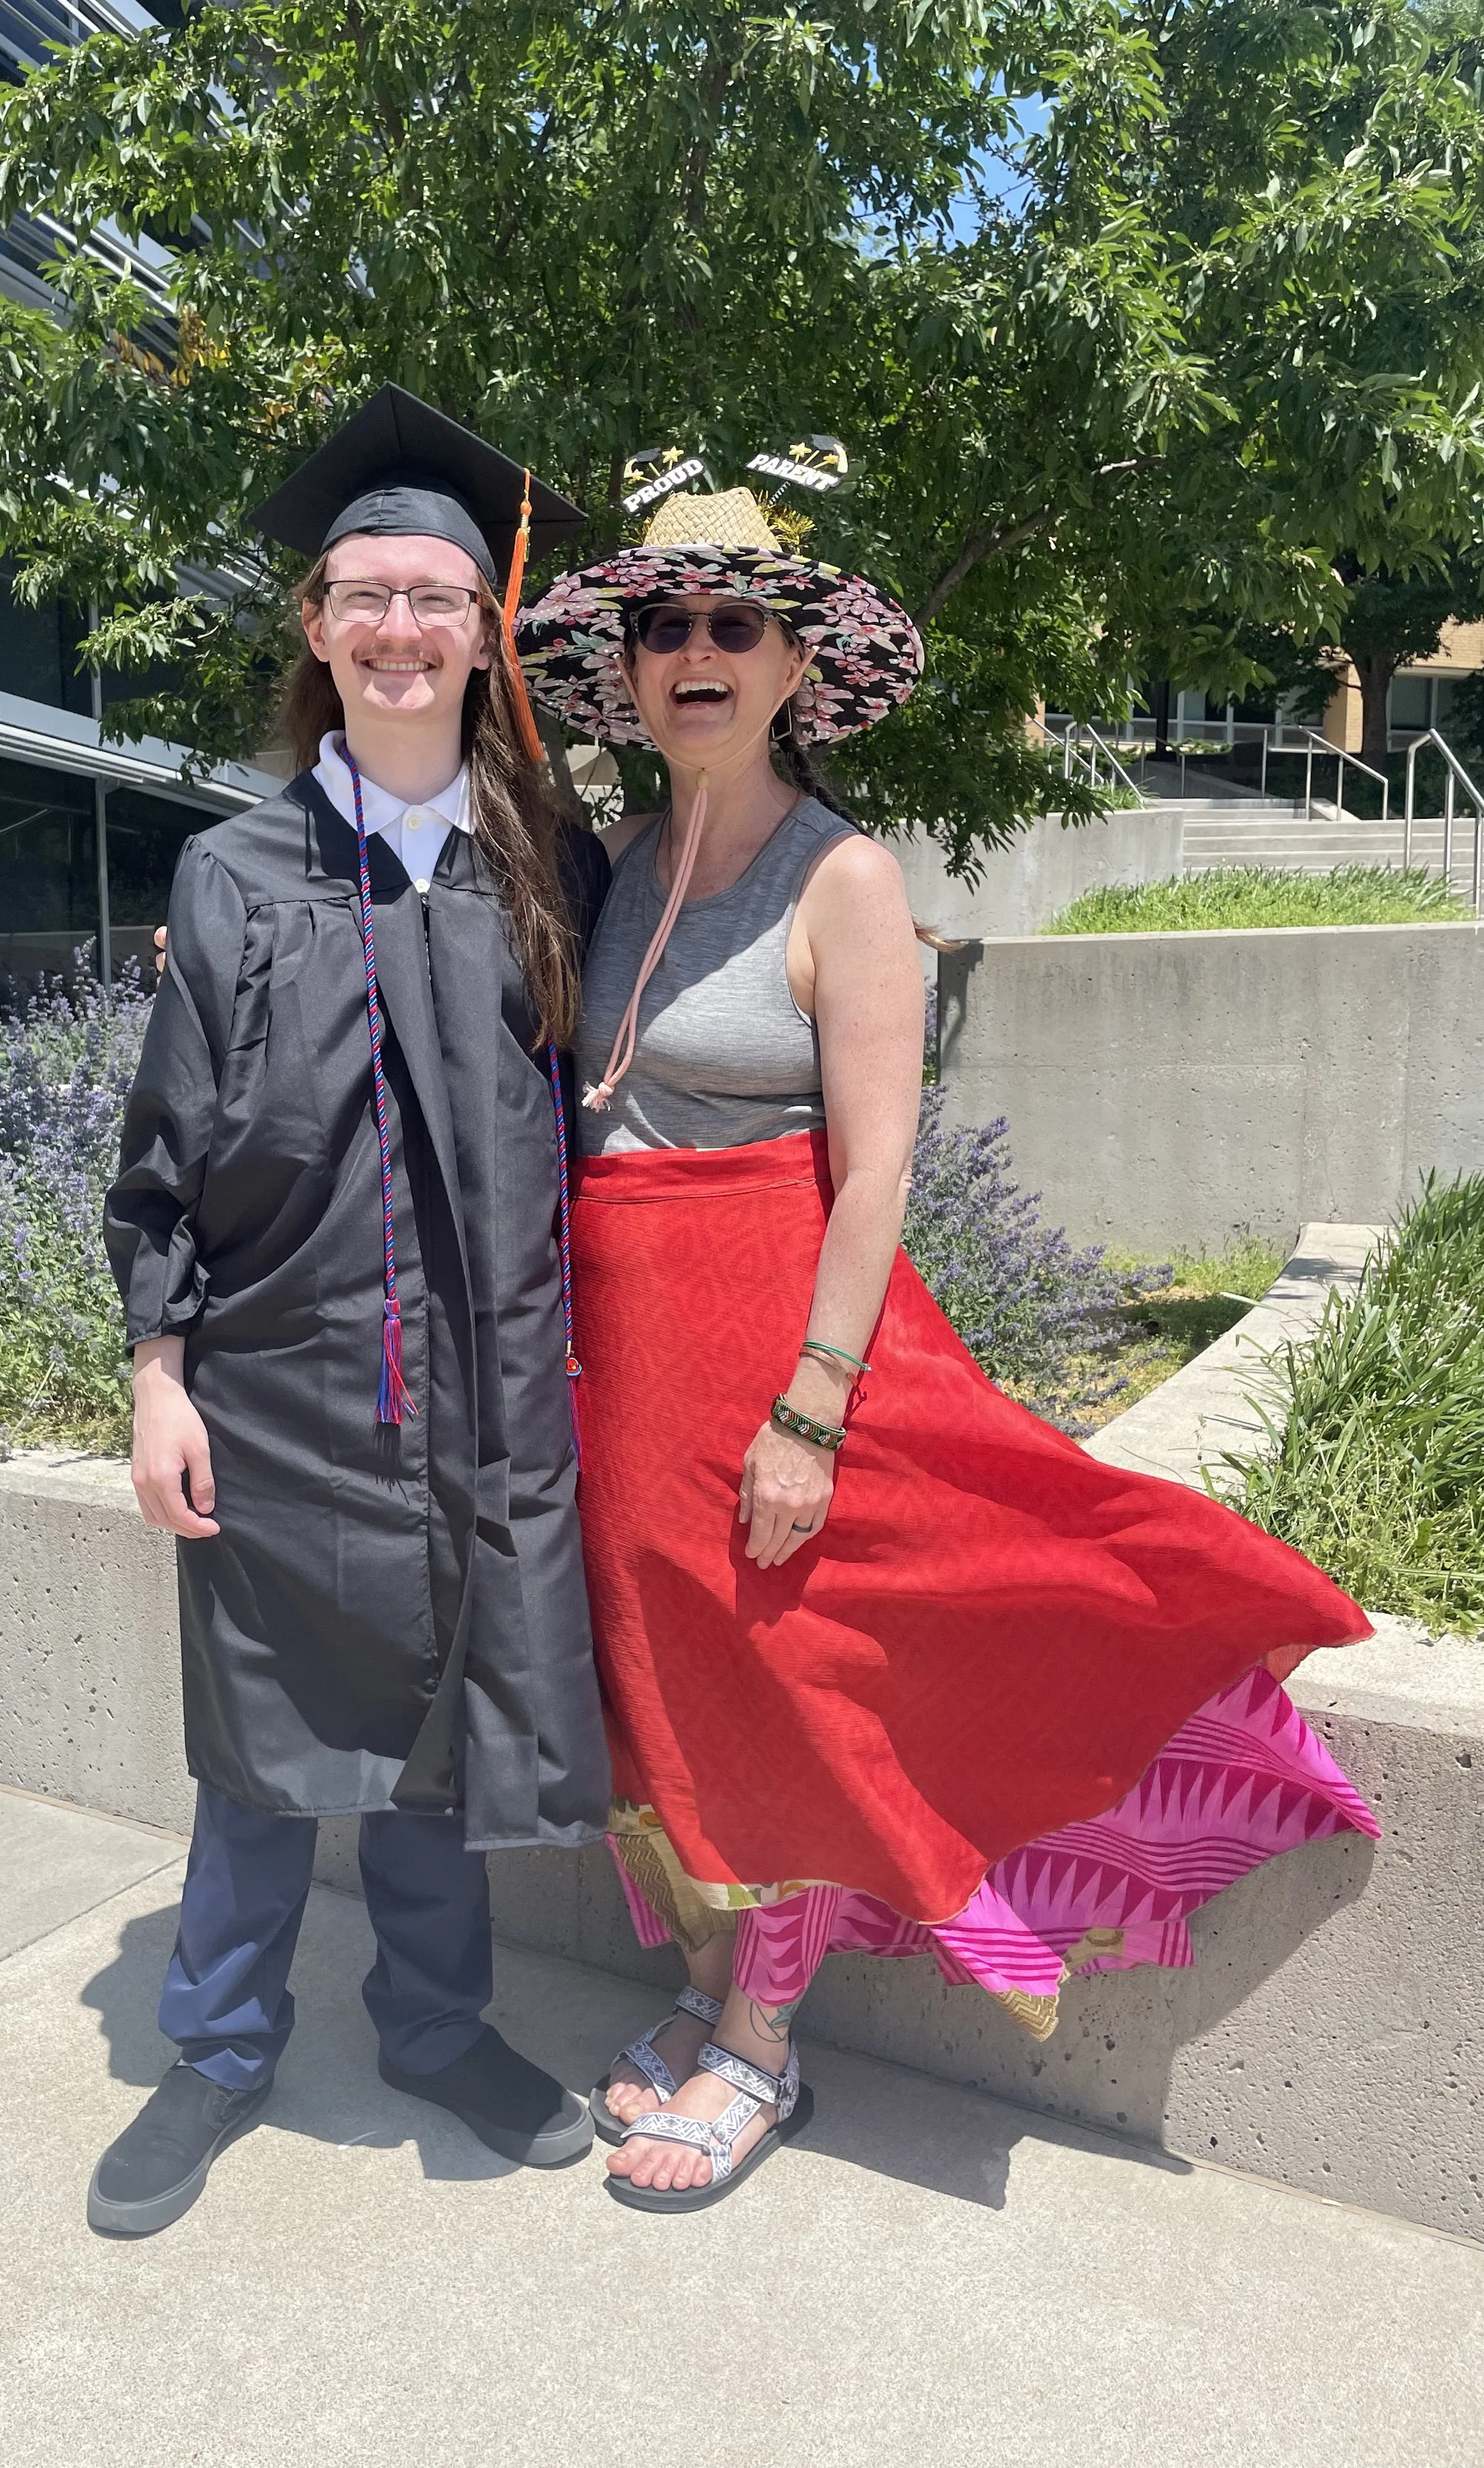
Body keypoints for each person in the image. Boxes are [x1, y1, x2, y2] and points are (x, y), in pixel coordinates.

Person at [513, 482, 1377, 2212]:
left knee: (780, 1687)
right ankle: (701, 1988)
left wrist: (810, 1413)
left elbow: (878, 1165)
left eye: (731, 625)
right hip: (619, 1362)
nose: (694, 653)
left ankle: (763, 2045)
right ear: (628, 665)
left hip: (762, 1352)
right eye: (663, 625)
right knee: (662, 1685)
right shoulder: (609, 862)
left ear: (791, 664)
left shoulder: (844, 878)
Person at [91, 388, 611, 2235]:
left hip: (482, 1401)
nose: (400, 629)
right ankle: (215, 2046)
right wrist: (159, 1373)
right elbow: (166, 1155)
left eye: (436, 596)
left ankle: (431, 2025)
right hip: (278, 1391)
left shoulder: (545, 867)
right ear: (315, 627)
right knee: (253, 1752)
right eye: (365, 594)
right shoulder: (233, 878)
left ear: (483, 632)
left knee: (434, 1735)